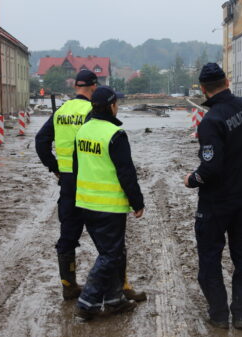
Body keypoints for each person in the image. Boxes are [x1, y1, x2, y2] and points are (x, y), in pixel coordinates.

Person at [35, 71, 145, 302]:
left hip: (67, 183)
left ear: (75, 86)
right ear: (94, 88)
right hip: (91, 183)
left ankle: (69, 285)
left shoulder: (61, 111)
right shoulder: (94, 112)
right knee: (111, 244)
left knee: (67, 238)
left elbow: (41, 141)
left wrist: (54, 167)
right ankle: (122, 288)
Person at [183, 63, 242, 330]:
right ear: (227, 81)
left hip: (215, 204)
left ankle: (219, 315)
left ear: (204, 89)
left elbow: (210, 168)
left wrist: (191, 180)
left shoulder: (211, 122)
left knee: (209, 258)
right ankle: (241, 315)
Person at [73, 86, 145, 320]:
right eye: (117, 104)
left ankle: (114, 300)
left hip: (85, 204)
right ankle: (86, 304)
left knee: (112, 251)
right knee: (110, 255)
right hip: (109, 207)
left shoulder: (83, 131)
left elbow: (76, 167)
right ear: (112, 106)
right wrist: (137, 202)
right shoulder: (115, 134)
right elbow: (126, 172)